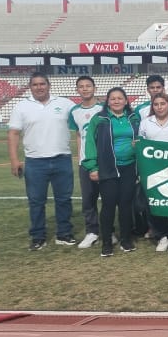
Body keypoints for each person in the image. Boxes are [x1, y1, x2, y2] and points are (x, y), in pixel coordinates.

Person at [8, 72, 76, 250]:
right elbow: (14, 133)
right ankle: (38, 236)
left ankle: (64, 233)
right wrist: (14, 160)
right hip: (35, 161)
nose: (39, 87)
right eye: (35, 84)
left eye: (42, 84)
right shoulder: (22, 107)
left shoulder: (64, 103)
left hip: (62, 158)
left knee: (64, 199)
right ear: (30, 87)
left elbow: (84, 116)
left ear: (49, 85)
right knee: (36, 201)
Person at [81, 87, 141, 257]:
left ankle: (126, 239)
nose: (116, 101)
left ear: (126, 100)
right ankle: (107, 241)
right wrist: (92, 167)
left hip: (130, 166)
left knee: (125, 205)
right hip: (108, 167)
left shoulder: (134, 117)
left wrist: (139, 144)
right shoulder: (99, 119)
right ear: (108, 101)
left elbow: (142, 137)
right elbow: (90, 143)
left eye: (120, 98)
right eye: (112, 98)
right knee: (108, 205)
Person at [138, 93, 168, 253]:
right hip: (153, 170)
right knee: (155, 203)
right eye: (156, 104)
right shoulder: (146, 123)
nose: (159, 107)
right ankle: (162, 235)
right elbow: (141, 145)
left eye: (162, 103)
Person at [67, 75, 102, 249]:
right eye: (81, 86)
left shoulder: (103, 108)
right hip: (86, 162)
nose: (85, 89)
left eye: (88, 85)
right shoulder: (74, 111)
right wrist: (80, 158)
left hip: (104, 161)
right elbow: (79, 135)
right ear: (77, 90)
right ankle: (92, 232)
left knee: (110, 199)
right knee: (88, 199)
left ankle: (109, 231)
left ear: (94, 88)